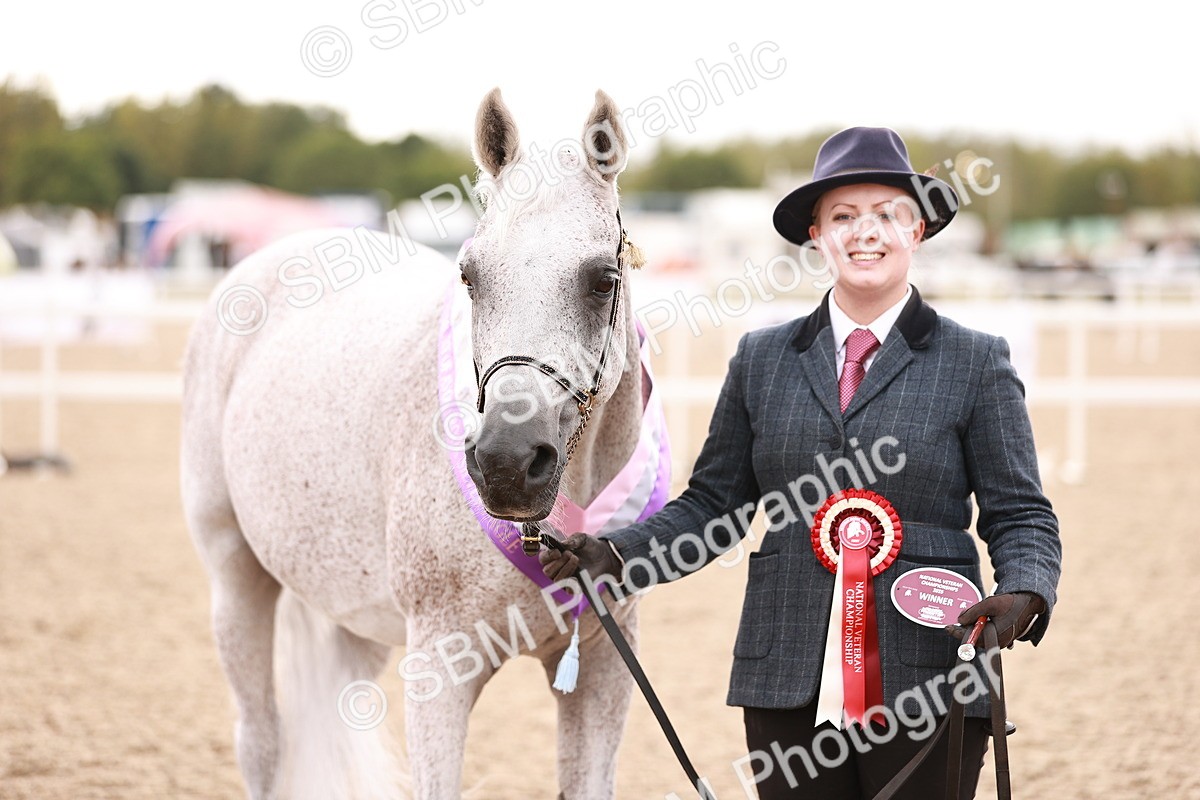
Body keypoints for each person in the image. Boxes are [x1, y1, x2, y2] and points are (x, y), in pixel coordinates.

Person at [540, 127, 1062, 799]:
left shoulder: (975, 361)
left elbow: (1020, 513)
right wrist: (615, 554)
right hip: (786, 673)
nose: (865, 232)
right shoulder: (762, 359)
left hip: (932, 671)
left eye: (888, 214)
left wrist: (1026, 590)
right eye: (843, 216)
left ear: (919, 229)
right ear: (817, 233)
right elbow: (714, 506)